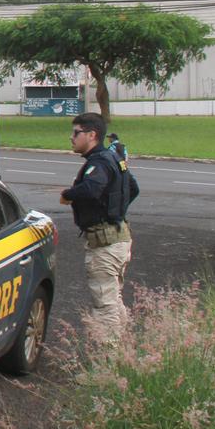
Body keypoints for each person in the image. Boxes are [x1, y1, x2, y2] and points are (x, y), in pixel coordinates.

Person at [60, 112, 139, 342]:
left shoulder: (99, 163)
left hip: (105, 246)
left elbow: (91, 189)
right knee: (113, 300)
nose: (71, 138)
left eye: (76, 133)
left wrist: (68, 195)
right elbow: (132, 189)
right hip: (120, 239)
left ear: (92, 135)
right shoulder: (114, 158)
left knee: (105, 307)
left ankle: (108, 362)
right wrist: (114, 211)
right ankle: (125, 351)